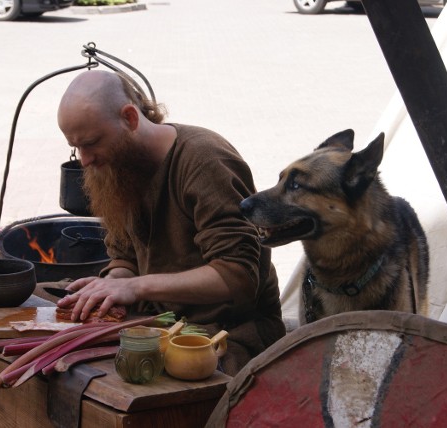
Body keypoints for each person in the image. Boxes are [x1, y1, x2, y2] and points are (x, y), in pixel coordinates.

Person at [54, 70, 286, 375]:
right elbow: (124, 256)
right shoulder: (118, 166)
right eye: (76, 147)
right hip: (158, 324)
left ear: (130, 118)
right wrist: (112, 284)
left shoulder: (205, 161)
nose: (84, 160)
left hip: (226, 335)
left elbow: (236, 275)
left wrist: (136, 288)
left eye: (92, 143)